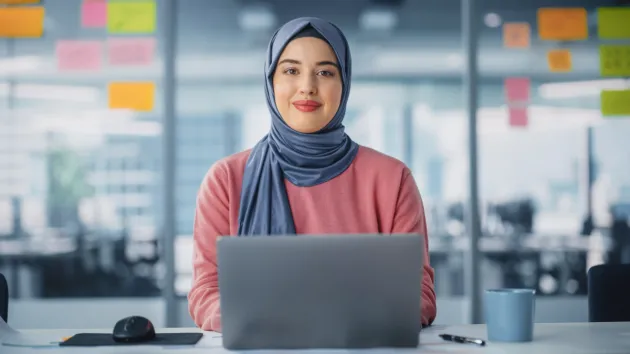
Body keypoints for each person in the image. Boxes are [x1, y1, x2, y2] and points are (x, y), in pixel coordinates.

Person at [188, 17, 436, 332]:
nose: (308, 86)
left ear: (344, 82)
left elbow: (419, 293)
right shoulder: (225, 180)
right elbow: (206, 290)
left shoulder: (393, 179)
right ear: (271, 81)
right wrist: (254, 320)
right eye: (291, 70)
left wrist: (347, 320)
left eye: (325, 72)